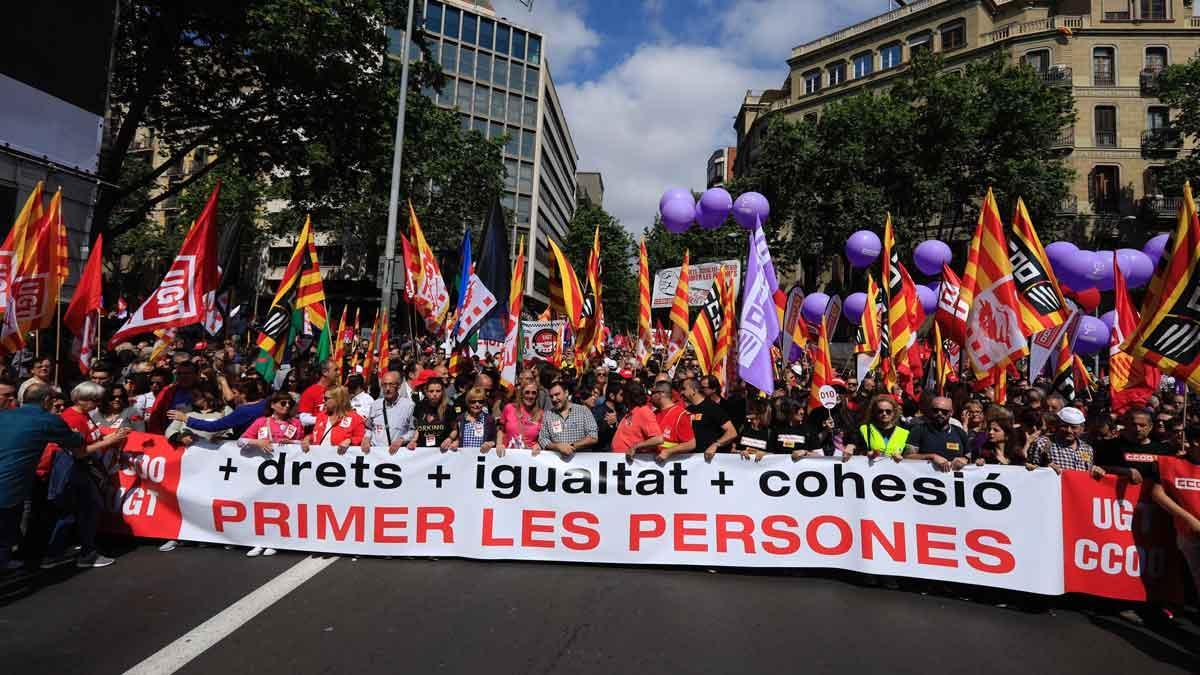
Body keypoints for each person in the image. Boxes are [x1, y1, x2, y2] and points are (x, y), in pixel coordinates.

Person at [42, 382, 131, 569]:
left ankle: (55, 554)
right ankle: (85, 554)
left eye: (98, 400)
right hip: (72, 468)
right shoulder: (73, 418)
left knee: (73, 512)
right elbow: (80, 451)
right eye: (93, 400)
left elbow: (94, 439)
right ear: (80, 399)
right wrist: (112, 440)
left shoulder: (84, 415)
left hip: (78, 468)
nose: (97, 404)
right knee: (87, 508)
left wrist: (114, 435)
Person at [0, 383, 84, 574]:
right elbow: (75, 442)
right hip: (9, 487)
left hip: (10, 485)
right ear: (47, 401)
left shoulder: (4, 414)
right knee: (4, 535)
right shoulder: (47, 420)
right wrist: (77, 434)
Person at [1149, 428, 1200, 593]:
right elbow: (1158, 494)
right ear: (1195, 442)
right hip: (1189, 534)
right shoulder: (1171, 464)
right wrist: (1189, 520)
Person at [168, 378, 268, 440]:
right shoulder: (266, 403)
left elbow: (213, 426)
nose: (232, 396)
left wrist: (186, 419)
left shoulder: (243, 411)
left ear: (243, 394)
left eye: (234, 393)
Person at [1095, 409, 1174, 485]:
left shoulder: (1163, 450)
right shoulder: (1110, 446)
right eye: (1133, 424)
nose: (1137, 429)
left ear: (1150, 427)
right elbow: (1098, 468)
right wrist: (1123, 471)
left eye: (1142, 425)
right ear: (1126, 425)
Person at [904, 396, 972, 472]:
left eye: (944, 411)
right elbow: (907, 456)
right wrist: (932, 457)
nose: (939, 414)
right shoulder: (918, 430)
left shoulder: (959, 432)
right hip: (926, 479)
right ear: (930, 411)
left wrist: (964, 459)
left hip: (953, 480)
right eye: (935, 410)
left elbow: (969, 456)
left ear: (951, 413)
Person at [1030, 406, 1102, 476]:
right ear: (1057, 425)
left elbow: (1088, 472)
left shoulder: (1087, 449)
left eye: (1073, 427)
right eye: (1064, 426)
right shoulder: (1042, 443)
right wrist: (1044, 469)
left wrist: (1095, 470)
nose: (1069, 430)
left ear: (1082, 429)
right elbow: (1028, 470)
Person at [680, 378, 737, 461]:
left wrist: (716, 444)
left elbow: (732, 432)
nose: (681, 393)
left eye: (684, 389)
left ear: (694, 390)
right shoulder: (686, 410)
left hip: (710, 462)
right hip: (691, 463)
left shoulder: (712, 407)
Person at [537, 381, 598, 456]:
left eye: (557, 394)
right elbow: (543, 439)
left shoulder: (583, 411)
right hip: (557, 462)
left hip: (581, 462)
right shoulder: (548, 414)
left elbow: (593, 436)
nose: (554, 399)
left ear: (566, 393)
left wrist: (572, 446)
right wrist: (558, 446)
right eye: (551, 396)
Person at [302, 386, 366, 454]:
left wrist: (349, 440)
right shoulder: (321, 416)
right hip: (319, 459)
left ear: (338, 399)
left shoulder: (355, 418)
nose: (323, 401)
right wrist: (308, 438)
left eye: (326, 398)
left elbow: (361, 438)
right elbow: (317, 435)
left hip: (341, 459)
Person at [363, 371, 415, 454]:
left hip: (397, 453)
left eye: (391, 385)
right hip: (375, 454)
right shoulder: (375, 405)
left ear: (398, 386)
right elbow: (369, 428)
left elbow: (413, 430)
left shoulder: (409, 406)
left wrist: (402, 439)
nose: (387, 388)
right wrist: (366, 438)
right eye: (384, 385)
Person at [612, 381, 663, 459]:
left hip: (634, 464)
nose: (622, 397)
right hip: (619, 462)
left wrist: (635, 447)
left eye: (623, 394)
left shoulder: (644, 411)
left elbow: (658, 439)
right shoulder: (630, 412)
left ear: (630, 395)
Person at [239, 393, 305, 453]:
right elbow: (241, 441)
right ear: (272, 405)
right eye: (283, 403)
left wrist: (291, 442)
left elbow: (303, 443)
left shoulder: (296, 423)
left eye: (290, 403)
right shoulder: (261, 422)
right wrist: (258, 442)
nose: (287, 406)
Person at [847, 395, 908, 460]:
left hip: (896, 469)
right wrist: (852, 447)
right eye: (880, 411)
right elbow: (856, 447)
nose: (884, 414)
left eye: (888, 411)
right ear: (874, 412)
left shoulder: (904, 433)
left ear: (894, 412)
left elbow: (910, 457)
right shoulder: (863, 429)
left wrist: (902, 457)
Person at [146, 360, 200, 433]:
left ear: (196, 375)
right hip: (170, 436)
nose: (182, 376)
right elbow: (155, 417)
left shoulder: (205, 392)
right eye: (179, 373)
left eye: (187, 373)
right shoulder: (167, 391)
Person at [651, 380, 694, 461]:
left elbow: (691, 444)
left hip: (672, 464)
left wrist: (668, 451)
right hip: (654, 464)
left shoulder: (680, 414)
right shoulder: (654, 414)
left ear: (661, 393)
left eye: (653, 393)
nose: (650, 397)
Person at [498, 381, 544, 455]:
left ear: (537, 396)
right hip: (507, 455)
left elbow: (543, 437)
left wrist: (539, 445)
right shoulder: (509, 408)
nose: (530, 396)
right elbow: (501, 430)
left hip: (529, 458)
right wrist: (499, 444)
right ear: (521, 394)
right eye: (527, 392)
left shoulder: (541, 414)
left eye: (533, 393)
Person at [447, 386, 496, 452]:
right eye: (473, 401)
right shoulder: (460, 418)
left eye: (480, 401)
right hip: (464, 458)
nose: (477, 404)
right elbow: (457, 435)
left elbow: (495, 438)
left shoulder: (489, 419)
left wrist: (490, 444)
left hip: (481, 458)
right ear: (468, 402)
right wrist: (455, 442)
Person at [298, 359, 338, 426]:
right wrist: (326, 420)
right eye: (335, 370)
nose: (338, 373)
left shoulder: (338, 390)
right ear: (325, 372)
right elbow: (303, 419)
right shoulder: (310, 392)